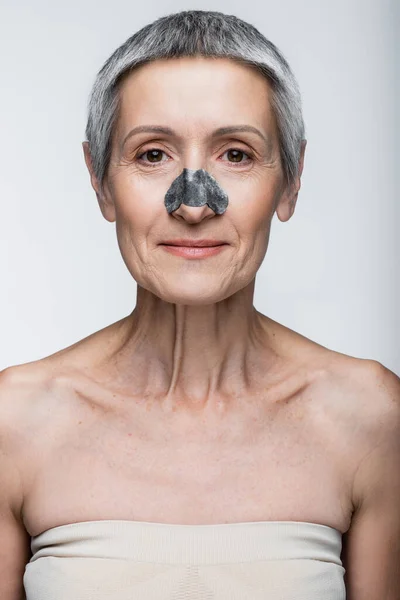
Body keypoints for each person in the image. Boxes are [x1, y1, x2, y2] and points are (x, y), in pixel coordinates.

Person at [1, 9, 399, 600]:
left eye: (235, 154)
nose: (193, 203)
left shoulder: (370, 419)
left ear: (290, 182)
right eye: (152, 153)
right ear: (99, 181)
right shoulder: (14, 422)